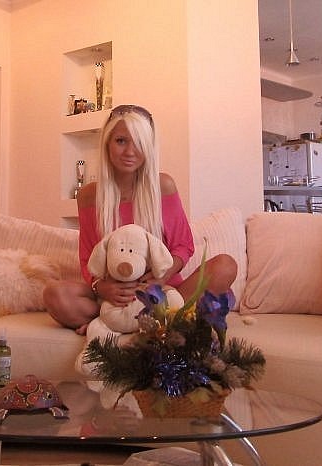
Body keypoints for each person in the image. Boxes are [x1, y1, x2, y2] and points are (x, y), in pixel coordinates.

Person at [43, 104, 237, 335]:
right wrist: (101, 287)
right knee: (54, 294)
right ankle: (127, 320)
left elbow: (183, 246)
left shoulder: (163, 186)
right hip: (115, 297)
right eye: (121, 141)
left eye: (139, 142)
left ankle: (125, 322)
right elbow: (88, 258)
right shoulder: (88, 196)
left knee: (225, 266)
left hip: (165, 293)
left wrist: (161, 277)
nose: (130, 151)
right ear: (107, 143)